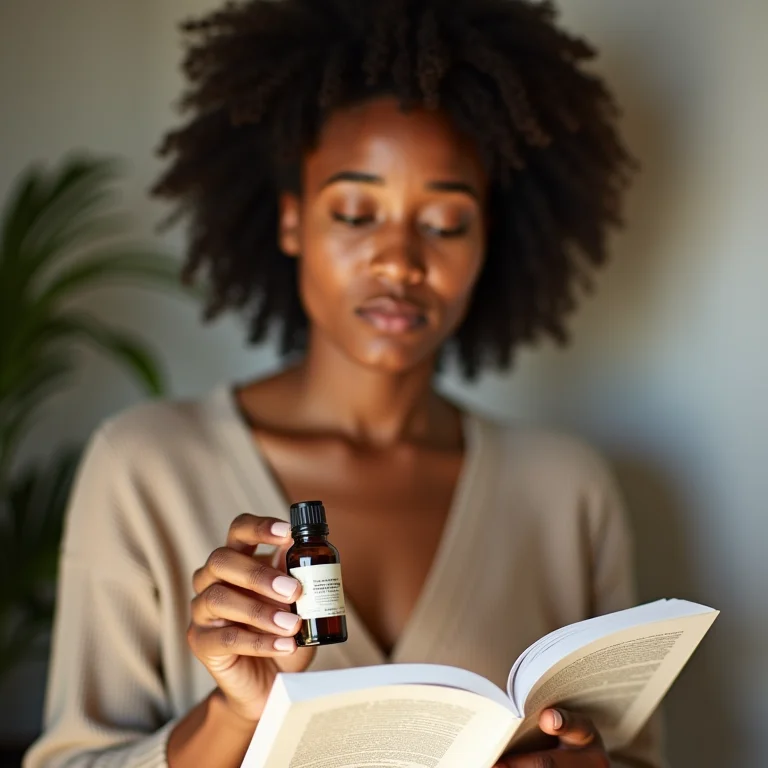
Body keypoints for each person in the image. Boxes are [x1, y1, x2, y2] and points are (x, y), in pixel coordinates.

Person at [24, 0, 663, 766]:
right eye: (357, 213)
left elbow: (635, 756)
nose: (399, 261)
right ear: (292, 221)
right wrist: (233, 715)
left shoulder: (567, 491)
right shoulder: (146, 467)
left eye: (446, 223)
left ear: (488, 239)